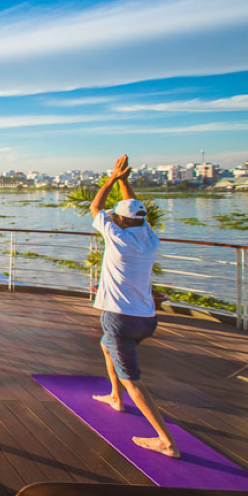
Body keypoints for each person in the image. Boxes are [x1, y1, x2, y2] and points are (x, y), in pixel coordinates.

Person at [90, 154, 179, 458]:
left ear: (120, 221)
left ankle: (165, 440)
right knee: (105, 347)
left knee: (135, 382)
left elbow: (95, 207)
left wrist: (113, 179)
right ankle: (115, 397)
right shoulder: (149, 238)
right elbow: (134, 212)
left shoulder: (116, 236)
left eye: (117, 216)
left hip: (120, 319)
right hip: (146, 319)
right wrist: (126, 182)